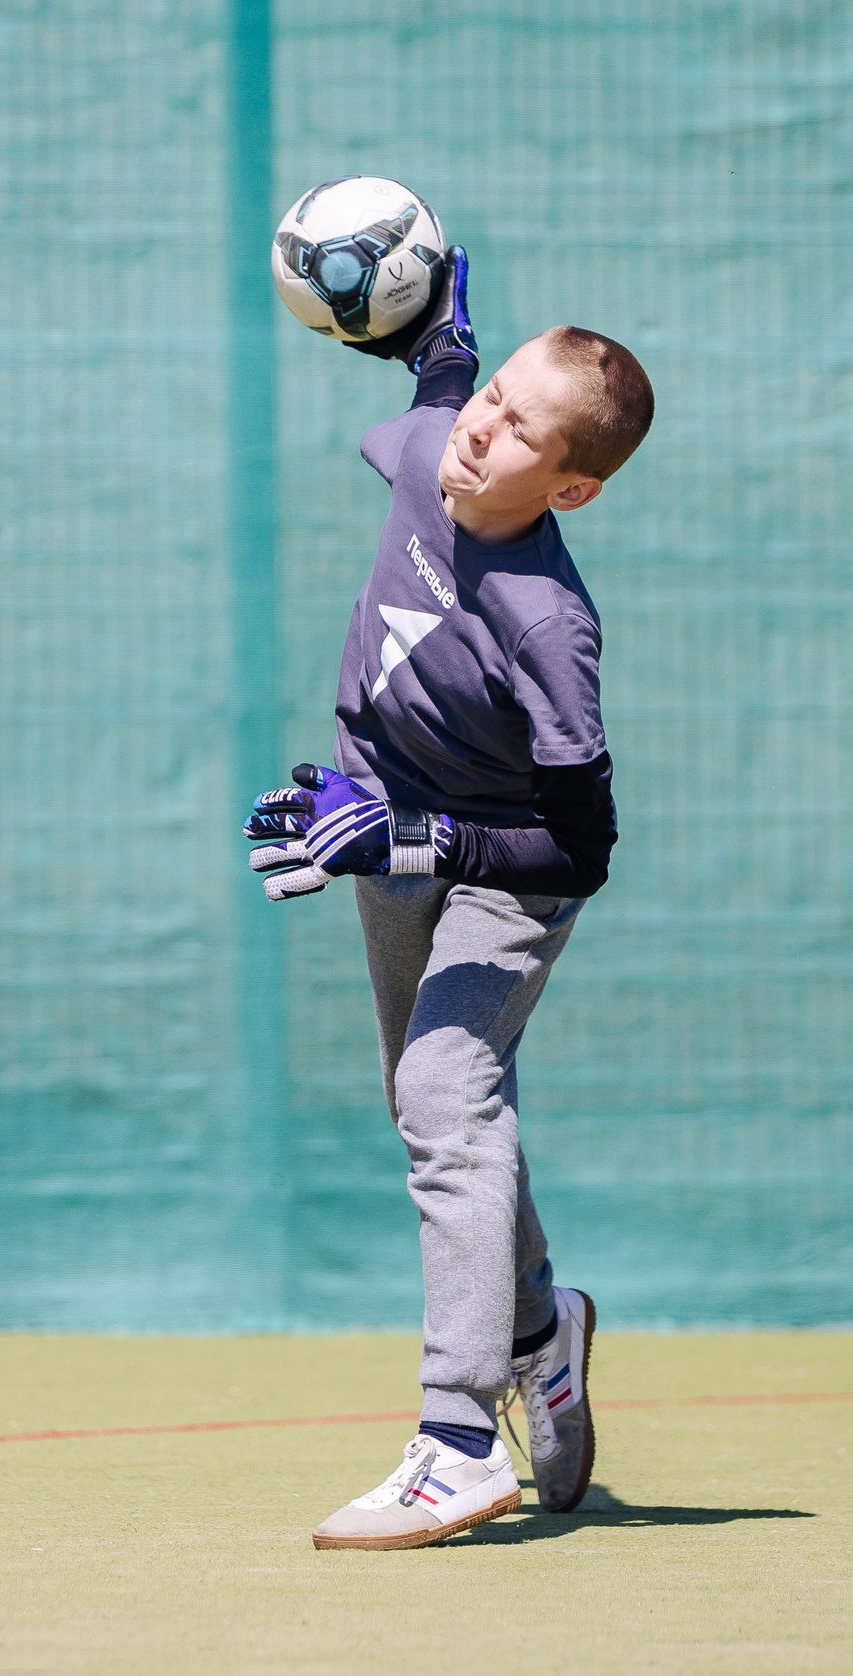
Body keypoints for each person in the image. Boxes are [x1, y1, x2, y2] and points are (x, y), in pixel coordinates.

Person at [242, 249, 654, 1548]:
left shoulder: (548, 628)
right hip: (385, 823)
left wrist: (411, 839)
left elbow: (579, 847)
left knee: (441, 1097)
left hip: (502, 871)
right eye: (493, 402)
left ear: (573, 488)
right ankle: (542, 1327)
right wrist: (426, 329)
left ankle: (459, 1444)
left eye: (525, 430)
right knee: (442, 1105)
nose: (487, 430)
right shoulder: (438, 444)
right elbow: (444, 379)